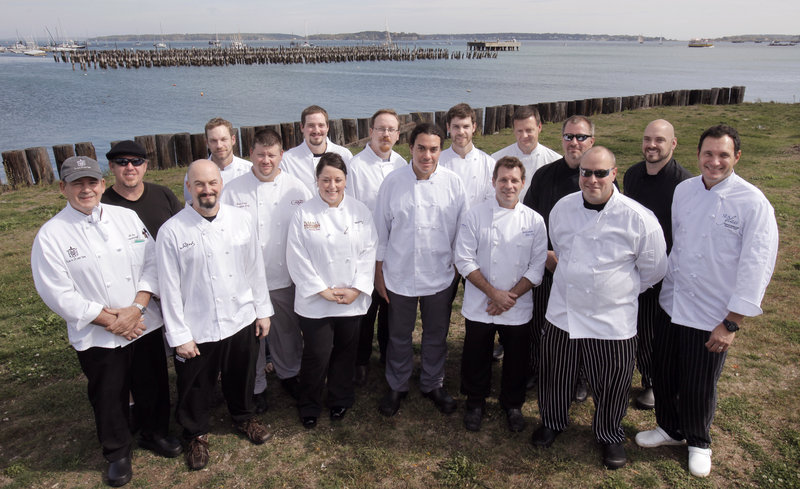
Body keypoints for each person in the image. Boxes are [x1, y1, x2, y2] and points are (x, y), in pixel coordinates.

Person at [636, 125, 779, 478]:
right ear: (698, 155)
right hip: (673, 301)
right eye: (708, 154)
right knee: (665, 373)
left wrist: (732, 322)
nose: (715, 162)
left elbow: (757, 266)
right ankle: (669, 428)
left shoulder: (753, 203)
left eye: (723, 155)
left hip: (713, 312)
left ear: (737, 157)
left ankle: (698, 441)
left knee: (699, 383)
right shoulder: (684, 191)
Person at [31, 156, 180, 487]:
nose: (87, 189)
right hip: (100, 333)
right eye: (77, 183)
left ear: (101, 183)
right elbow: (57, 292)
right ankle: (117, 452)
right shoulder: (52, 235)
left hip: (141, 321)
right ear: (63, 188)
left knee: (152, 383)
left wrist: (136, 309)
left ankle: (155, 433)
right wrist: (109, 320)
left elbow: (152, 263)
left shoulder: (126, 217)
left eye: (92, 182)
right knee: (109, 393)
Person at [531, 147, 667, 470]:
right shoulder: (562, 209)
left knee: (612, 381)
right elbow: (560, 249)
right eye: (586, 172)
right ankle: (552, 420)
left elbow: (654, 269)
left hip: (612, 318)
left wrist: (617, 291)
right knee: (556, 374)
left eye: (600, 173)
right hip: (563, 310)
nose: (592, 179)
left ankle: (609, 434)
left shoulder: (638, 219)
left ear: (614, 173)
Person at [157, 159, 274, 471]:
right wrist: (179, 336)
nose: (206, 190)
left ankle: (244, 417)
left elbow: (254, 268)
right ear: (188, 187)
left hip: (240, 316)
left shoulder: (240, 219)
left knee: (242, 374)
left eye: (212, 183)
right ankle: (195, 433)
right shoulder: (171, 231)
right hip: (198, 324)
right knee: (195, 384)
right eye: (199, 184)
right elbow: (168, 289)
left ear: (221, 185)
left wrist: (262, 311)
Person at [374, 122, 467, 417]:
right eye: (421, 148)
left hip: (439, 275)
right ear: (411, 148)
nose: (427, 155)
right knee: (399, 334)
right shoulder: (392, 182)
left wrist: (455, 269)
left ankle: (433, 383)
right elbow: (380, 231)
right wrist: (378, 273)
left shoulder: (454, 183)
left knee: (436, 334)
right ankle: (397, 385)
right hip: (398, 273)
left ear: (441, 149)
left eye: (434, 149)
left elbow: (461, 231)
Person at [221, 128, 313, 411]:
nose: (265, 161)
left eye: (271, 155)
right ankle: (257, 384)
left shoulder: (298, 188)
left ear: (281, 155)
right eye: (260, 154)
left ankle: (290, 374)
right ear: (251, 154)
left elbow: (309, 231)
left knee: (286, 331)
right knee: (252, 337)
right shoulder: (233, 190)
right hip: (246, 279)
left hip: (285, 275)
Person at [454, 156, 547, 432]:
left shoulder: (535, 220)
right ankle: (475, 401)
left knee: (517, 359)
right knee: (476, 354)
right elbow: (464, 260)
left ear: (523, 183)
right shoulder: (475, 215)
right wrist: (493, 293)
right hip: (481, 302)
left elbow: (537, 266)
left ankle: (513, 404)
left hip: (516, 305)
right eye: (503, 180)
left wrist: (509, 297)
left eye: (514, 180)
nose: (508, 185)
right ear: (493, 182)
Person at [286, 153, 378, 428]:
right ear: (317, 181)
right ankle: (310, 404)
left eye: (337, 180)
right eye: (326, 180)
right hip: (316, 301)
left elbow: (368, 251)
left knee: (345, 353)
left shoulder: (360, 211)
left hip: (351, 298)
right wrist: (321, 290)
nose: (332, 186)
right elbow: (296, 256)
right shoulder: (304, 213)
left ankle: (340, 399)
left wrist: (357, 289)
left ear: (346, 181)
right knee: (317, 354)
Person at [522, 115, 599, 401]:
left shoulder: (598, 177)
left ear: (591, 140)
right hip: (546, 263)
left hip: (583, 269)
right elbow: (529, 220)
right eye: (569, 136)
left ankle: (580, 378)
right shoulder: (544, 175)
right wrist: (544, 254)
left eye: (580, 137)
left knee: (578, 325)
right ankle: (536, 367)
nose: (574, 142)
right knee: (538, 320)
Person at [622, 119, 692, 410]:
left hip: (663, 267)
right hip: (632, 261)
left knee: (652, 330)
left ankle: (651, 381)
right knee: (630, 323)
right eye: (648, 138)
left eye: (660, 140)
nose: (652, 145)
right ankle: (623, 371)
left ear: (673, 144)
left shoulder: (683, 184)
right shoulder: (633, 174)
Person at [346, 109, 407, 385]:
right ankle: (359, 361)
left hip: (395, 251)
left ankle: (386, 355)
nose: (385, 134)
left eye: (391, 129)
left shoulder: (402, 164)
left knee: (390, 308)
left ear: (397, 134)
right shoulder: (356, 167)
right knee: (364, 311)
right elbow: (350, 212)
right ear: (371, 131)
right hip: (364, 251)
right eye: (380, 129)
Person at [102, 140, 182, 239]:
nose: (130, 167)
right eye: (122, 162)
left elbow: (183, 229)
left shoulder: (164, 194)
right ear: (111, 166)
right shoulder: (102, 205)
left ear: (145, 166)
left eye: (136, 162)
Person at [491, 105, 561, 198]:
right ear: (514, 130)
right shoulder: (495, 159)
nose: (524, 136)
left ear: (539, 127)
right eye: (519, 131)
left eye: (529, 130)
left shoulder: (555, 161)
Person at [281, 105, 353, 192]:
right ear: (302, 127)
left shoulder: (344, 155)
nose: (316, 130)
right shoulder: (287, 160)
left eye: (321, 125)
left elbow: (351, 190)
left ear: (327, 127)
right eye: (311, 125)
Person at [183, 117, 252, 204]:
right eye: (213, 141)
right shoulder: (194, 174)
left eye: (223, 139)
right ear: (207, 143)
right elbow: (192, 207)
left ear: (233, 140)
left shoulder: (250, 170)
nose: (219, 145)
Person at [439, 103, 495, 209]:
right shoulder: (438, 162)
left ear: (473, 127)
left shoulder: (489, 163)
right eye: (456, 127)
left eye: (466, 126)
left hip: (477, 223)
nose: (461, 132)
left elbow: (491, 201)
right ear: (448, 128)